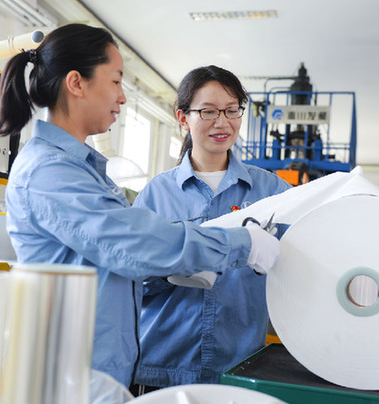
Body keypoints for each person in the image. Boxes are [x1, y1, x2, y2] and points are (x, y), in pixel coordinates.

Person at [0, 24, 281, 388]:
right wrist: (242, 244)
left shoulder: (82, 171)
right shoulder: (49, 172)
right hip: (71, 376)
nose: (123, 97)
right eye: (116, 81)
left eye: (231, 110)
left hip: (96, 372)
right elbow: (135, 242)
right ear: (77, 83)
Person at [131, 65, 292, 390]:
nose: (222, 122)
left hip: (239, 367)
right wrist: (172, 266)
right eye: (208, 111)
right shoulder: (157, 193)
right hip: (163, 368)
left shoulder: (272, 192)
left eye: (232, 110)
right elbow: (131, 281)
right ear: (183, 118)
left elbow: (298, 266)